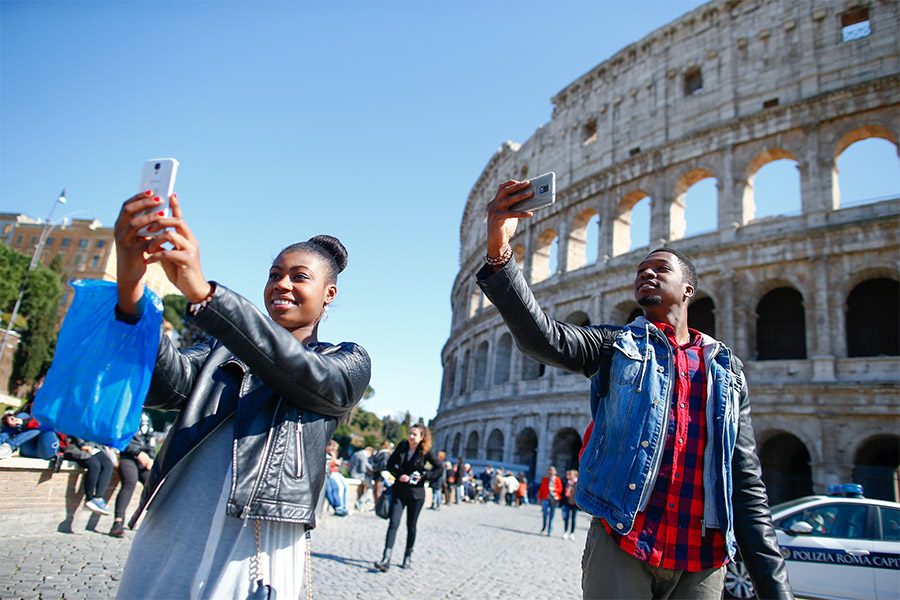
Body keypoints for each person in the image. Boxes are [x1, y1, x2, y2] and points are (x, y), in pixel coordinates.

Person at [477, 180, 792, 599]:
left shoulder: (725, 370)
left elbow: (746, 482)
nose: (646, 271)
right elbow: (542, 338)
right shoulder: (614, 345)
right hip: (625, 540)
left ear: (687, 290)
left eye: (660, 268)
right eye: (641, 269)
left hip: (701, 560)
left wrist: (776, 589)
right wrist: (500, 250)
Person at [112, 192, 371, 599]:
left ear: (329, 295)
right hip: (172, 526)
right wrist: (131, 287)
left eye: (299, 277)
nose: (281, 284)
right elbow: (165, 385)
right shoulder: (221, 350)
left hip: (256, 545)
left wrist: (206, 295)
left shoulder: (346, 361)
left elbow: (304, 375)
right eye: (274, 274)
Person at [373, 423, 443, 572]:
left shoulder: (425, 451)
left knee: (411, 526)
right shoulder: (402, 446)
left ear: (422, 437)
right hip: (400, 491)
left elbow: (439, 468)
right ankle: (386, 558)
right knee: (393, 523)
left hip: (416, 495)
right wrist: (399, 475)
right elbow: (390, 464)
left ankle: (407, 555)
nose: (411, 437)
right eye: (410, 433)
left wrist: (423, 476)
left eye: (414, 434)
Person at [109, 412, 156, 538]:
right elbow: (121, 437)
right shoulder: (126, 412)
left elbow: (150, 437)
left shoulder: (146, 416)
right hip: (128, 456)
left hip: (144, 457)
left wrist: (151, 457)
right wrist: (138, 453)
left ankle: (151, 521)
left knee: (155, 484)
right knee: (130, 481)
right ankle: (118, 523)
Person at [61, 434, 115, 515]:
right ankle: (89, 499)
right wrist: (82, 444)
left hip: (93, 444)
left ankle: (98, 498)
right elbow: (74, 428)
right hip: (74, 445)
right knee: (94, 465)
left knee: (108, 465)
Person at [325, 439, 350, 516]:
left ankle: (344, 506)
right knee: (338, 488)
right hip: (331, 472)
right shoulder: (328, 454)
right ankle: (340, 506)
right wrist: (335, 462)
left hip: (335, 471)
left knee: (346, 486)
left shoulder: (333, 454)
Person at [537, 466, 563, 536]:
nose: (550, 473)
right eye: (549, 472)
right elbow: (541, 489)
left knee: (552, 515)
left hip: (553, 499)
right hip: (546, 498)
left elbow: (560, 489)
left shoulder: (557, 479)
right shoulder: (545, 479)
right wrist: (539, 498)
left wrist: (554, 489)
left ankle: (550, 530)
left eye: (552, 472)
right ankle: (544, 527)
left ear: (555, 473)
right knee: (545, 513)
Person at [561, 469, 579, 541]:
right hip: (567, 502)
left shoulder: (577, 482)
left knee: (573, 519)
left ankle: (572, 533)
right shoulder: (566, 482)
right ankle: (565, 532)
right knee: (566, 518)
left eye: (571, 474)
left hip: (574, 503)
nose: (569, 475)